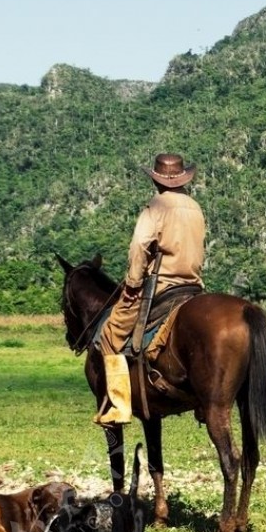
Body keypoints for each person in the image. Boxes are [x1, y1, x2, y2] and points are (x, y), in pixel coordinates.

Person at [94, 153, 206, 425]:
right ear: (182, 179)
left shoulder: (155, 207)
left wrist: (133, 283)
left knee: (110, 333)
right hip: (193, 286)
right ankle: (203, 403)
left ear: (157, 180)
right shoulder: (195, 207)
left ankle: (119, 405)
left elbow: (139, 246)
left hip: (162, 286)